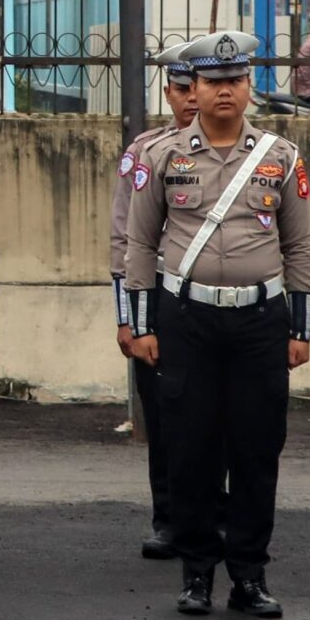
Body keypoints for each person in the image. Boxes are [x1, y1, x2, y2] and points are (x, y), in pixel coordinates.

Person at [123, 30, 310, 618]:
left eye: (234, 80)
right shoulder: (160, 157)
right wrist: (142, 324)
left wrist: (300, 329)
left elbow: (300, 245)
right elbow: (138, 243)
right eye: (212, 81)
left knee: (257, 449)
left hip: (260, 319)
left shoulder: (280, 157)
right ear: (194, 89)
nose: (224, 91)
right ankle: (197, 573)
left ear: (248, 87)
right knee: (191, 449)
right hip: (187, 318)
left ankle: (250, 576)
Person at [109, 43, 198, 561]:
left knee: (221, 419)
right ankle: (168, 516)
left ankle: (218, 513)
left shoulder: (258, 150)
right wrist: (128, 317)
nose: (191, 99)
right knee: (164, 415)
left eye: (198, 87)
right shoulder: (146, 151)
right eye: (182, 89)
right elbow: (124, 240)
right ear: (169, 93)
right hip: (158, 294)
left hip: (217, 296)